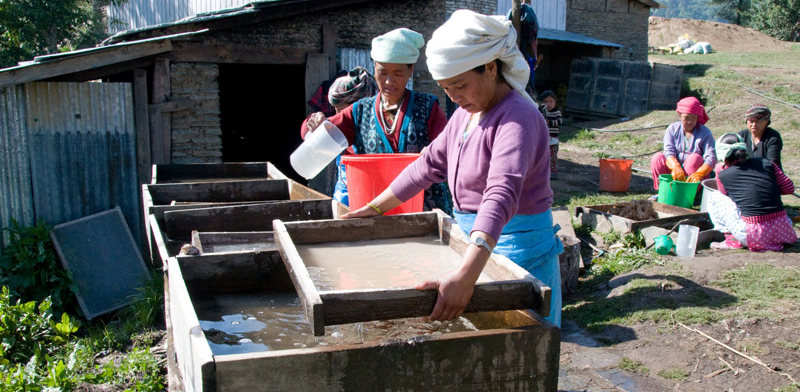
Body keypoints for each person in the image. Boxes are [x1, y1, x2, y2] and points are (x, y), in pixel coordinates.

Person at [342, 10, 563, 327]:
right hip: (475, 250)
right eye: (446, 88)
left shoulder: (517, 118)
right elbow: (427, 165)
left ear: (489, 68)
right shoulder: (466, 115)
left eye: (460, 85)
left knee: (519, 352)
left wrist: (465, 276)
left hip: (515, 255)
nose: (455, 97)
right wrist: (374, 208)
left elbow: (500, 195)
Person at [300, 28, 452, 215]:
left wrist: (435, 153)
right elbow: (325, 131)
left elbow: (448, 148)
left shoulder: (429, 108)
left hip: (425, 213)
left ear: (410, 71)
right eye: (383, 72)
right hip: (376, 213)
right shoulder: (359, 111)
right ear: (374, 70)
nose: (389, 81)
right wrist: (313, 124)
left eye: (398, 73)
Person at [712, 133, 796, 252]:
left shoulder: (723, 175)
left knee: (715, 197)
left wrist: (719, 170)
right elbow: (789, 188)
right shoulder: (767, 163)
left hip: (755, 236)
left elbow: (725, 194)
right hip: (784, 230)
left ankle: (732, 240)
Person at [316, 66, 378, 205]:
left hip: (371, 203)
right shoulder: (340, 128)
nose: (339, 116)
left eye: (343, 111)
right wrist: (312, 122)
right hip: (343, 201)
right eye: (336, 111)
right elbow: (307, 134)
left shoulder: (377, 132)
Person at [650, 97, 716, 190]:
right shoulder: (672, 129)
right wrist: (675, 167)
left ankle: (690, 193)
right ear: (679, 116)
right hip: (674, 173)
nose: (690, 121)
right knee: (657, 158)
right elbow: (669, 151)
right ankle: (664, 190)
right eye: (686, 117)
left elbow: (711, 157)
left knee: (694, 158)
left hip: (693, 175)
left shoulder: (705, 133)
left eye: (694, 117)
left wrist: (700, 173)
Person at [737, 104, 783, 170]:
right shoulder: (742, 135)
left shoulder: (772, 137)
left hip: (767, 174)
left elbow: (773, 163)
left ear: (766, 122)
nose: (754, 125)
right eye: (751, 121)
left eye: (758, 122)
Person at [538, 90, 561, 180]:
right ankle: (543, 172)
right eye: (546, 102)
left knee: (553, 156)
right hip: (544, 138)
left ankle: (553, 171)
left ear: (555, 101)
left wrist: (549, 122)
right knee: (543, 156)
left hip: (553, 139)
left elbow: (560, 121)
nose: (549, 104)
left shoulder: (556, 112)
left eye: (551, 101)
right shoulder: (541, 113)